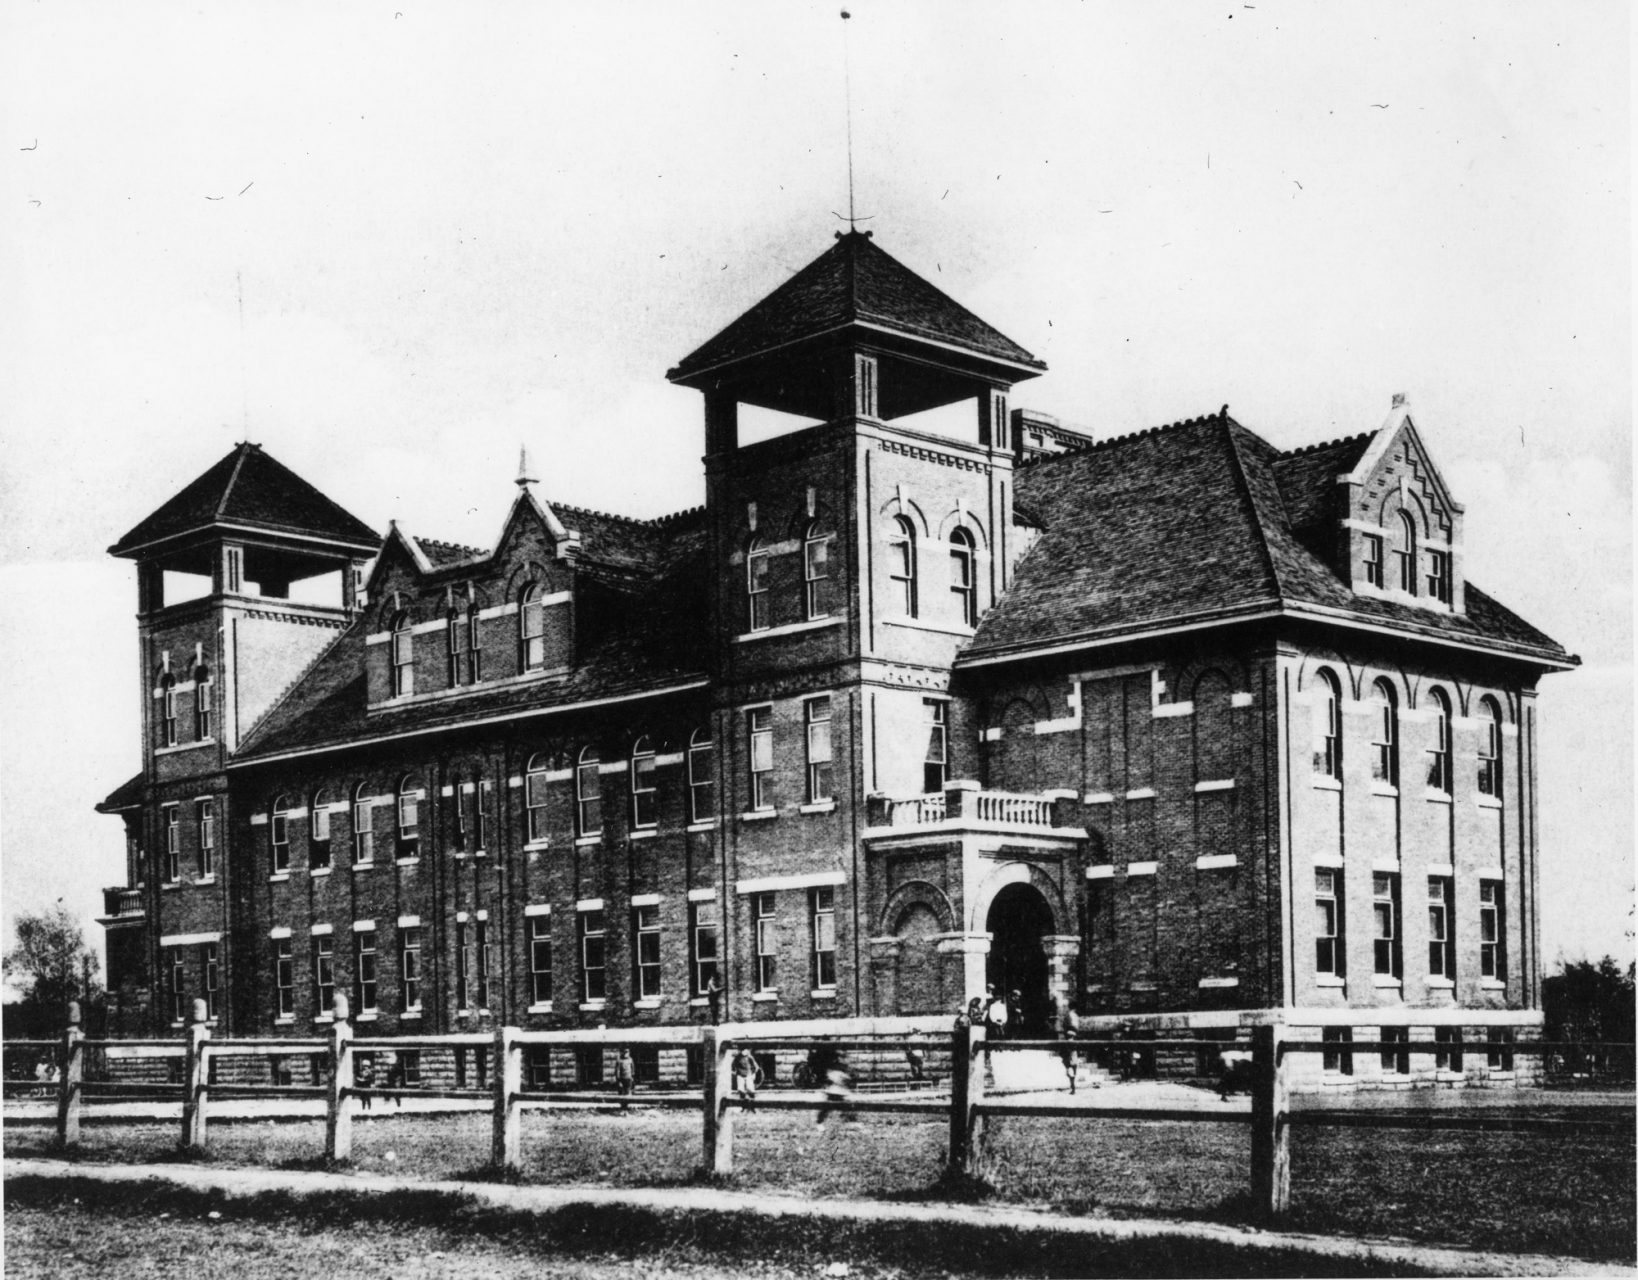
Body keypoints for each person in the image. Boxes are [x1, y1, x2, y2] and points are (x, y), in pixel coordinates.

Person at [813, 1045, 851, 1124]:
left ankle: (846, 1119)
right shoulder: (834, 1064)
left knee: (842, 1105)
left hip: (838, 1089)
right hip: (834, 1089)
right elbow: (830, 1074)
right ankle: (819, 1121)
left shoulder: (842, 1065)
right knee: (829, 1106)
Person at [1057, 999, 1081, 1093]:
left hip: (1069, 1041)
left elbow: (1066, 1028)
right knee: (1073, 1063)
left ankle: (1072, 1084)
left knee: (1068, 1062)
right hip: (1073, 1041)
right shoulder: (1075, 1016)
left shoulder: (1068, 1016)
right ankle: (1072, 1084)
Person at [731, 1047, 761, 1111]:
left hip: (748, 1076)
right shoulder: (737, 1058)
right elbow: (733, 1066)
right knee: (741, 1091)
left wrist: (753, 1074)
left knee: (751, 1091)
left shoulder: (750, 1058)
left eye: (746, 1050)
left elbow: (756, 1067)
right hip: (740, 1076)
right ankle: (743, 1107)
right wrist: (736, 1072)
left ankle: (753, 1107)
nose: (745, 1051)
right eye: (743, 1050)